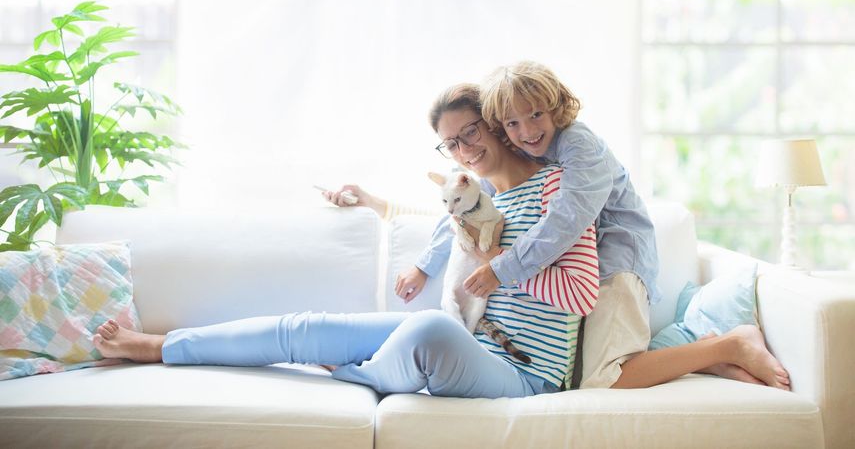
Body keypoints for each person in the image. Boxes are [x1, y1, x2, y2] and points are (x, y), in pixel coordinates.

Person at [92, 84, 599, 399]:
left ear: (496, 124)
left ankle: (360, 375)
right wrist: (374, 204)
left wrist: (499, 262)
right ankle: (164, 347)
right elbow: (440, 221)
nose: (465, 150)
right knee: (312, 325)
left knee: (427, 330)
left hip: (526, 374)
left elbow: (582, 294)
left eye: (473, 132)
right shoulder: (479, 195)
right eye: (452, 143)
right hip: (471, 344)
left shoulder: (559, 187)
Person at [334, 63, 790, 391]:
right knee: (578, 375)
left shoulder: (578, 147)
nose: (527, 130)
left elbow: (565, 223)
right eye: (511, 123)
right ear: (499, 126)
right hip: (577, 271)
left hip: (616, 262)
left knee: (605, 379)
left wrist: (501, 268)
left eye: (536, 116)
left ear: (557, 108)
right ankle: (710, 357)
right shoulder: (523, 154)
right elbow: (463, 212)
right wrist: (420, 263)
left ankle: (727, 346)